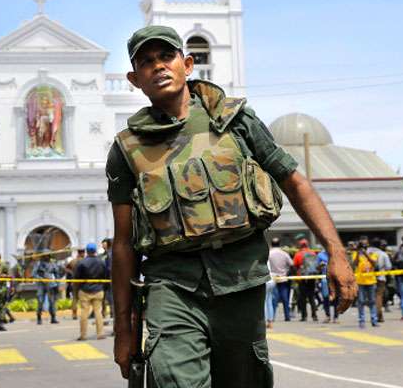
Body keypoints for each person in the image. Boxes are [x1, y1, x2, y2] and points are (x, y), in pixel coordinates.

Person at [108, 25, 357, 387]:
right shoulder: (127, 149)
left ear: (188, 64)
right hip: (172, 286)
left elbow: (294, 182)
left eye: (166, 57)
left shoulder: (235, 121)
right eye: (146, 62)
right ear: (135, 79)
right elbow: (122, 243)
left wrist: (336, 252)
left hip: (241, 283)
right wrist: (123, 328)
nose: (158, 66)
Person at [74, 243, 108, 340]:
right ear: (95, 251)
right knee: (98, 312)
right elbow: (105, 275)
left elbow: (77, 277)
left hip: (85, 290)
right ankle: (100, 333)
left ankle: (83, 335)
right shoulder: (101, 262)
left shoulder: (82, 262)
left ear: (87, 251)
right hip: (98, 289)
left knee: (84, 312)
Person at [351, 239, 379, 328]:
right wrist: (359, 253)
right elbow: (355, 264)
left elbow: (374, 263)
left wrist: (366, 254)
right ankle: (361, 321)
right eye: (362, 244)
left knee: (372, 301)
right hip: (360, 281)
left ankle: (374, 320)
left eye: (365, 244)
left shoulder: (372, 253)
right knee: (361, 302)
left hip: (371, 280)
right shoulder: (356, 253)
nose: (363, 246)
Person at [293, 238, 319, 322]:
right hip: (312, 277)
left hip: (302, 278)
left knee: (303, 297)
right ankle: (314, 315)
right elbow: (316, 265)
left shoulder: (298, 254)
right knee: (312, 297)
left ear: (300, 245)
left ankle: (304, 316)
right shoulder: (313, 253)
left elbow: (295, 265)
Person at [32, 253, 62, 325]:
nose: (46, 257)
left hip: (50, 284)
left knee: (52, 301)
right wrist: (41, 279)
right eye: (45, 256)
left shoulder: (53, 264)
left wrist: (57, 283)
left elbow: (57, 274)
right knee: (40, 301)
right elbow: (34, 274)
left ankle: (53, 317)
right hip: (41, 284)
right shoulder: (38, 264)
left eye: (48, 256)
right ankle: (39, 317)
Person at [268, 237, 293, 322]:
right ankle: (287, 316)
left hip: (272, 278)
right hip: (283, 278)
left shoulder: (269, 253)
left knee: (274, 298)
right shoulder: (284, 253)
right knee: (285, 298)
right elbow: (291, 264)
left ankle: (272, 317)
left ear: (271, 244)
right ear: (279, 244)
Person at [367, 237, 391, 323]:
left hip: (367, 278)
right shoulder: (383, 254)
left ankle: (374, 315)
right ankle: (378, 315)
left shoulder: (366, 253)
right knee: (378, 296)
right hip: (380, 278)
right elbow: (388, 267)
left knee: (370, 297)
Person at [317, 248, 338, 323]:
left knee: (336, 298)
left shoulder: (336, 254)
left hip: (335, 279)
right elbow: (317, 269)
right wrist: (320, 266)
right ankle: (327, 316)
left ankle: (336, 317)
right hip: (325, 280)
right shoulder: (320, 255)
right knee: (326, 298)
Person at [65, 248, 85, 320]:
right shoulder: (84, 261)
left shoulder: (73, 261)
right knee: (84, 298)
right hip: (83, 282)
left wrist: (72, 273)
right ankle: (83, 313)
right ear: (82, 253)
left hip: (75, 282)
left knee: (75, 299)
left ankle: (74, 314)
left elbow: (66, 268)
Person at [101, 238, 115, 320]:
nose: (103, 245)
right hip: (107, 279)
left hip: (109, 278)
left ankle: (112, 313)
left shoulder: (110, 254)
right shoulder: (104, 254)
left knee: (110, 297)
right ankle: (105, 312)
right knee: (107, 297)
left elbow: (109, 268)